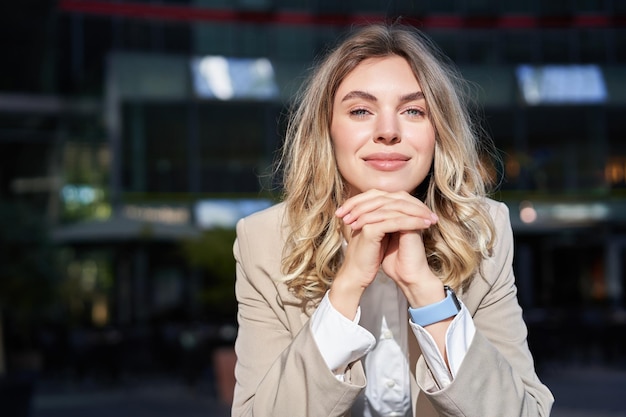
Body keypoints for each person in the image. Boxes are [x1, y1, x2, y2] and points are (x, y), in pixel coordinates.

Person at [231, 23, 554, 417]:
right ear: (327, 130)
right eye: (361, 110)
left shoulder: (484, 230)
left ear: (438, 131)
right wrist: (347, 288)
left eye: (414, 111)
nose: (388, 131)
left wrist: (426, 292)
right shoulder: (264, 240)